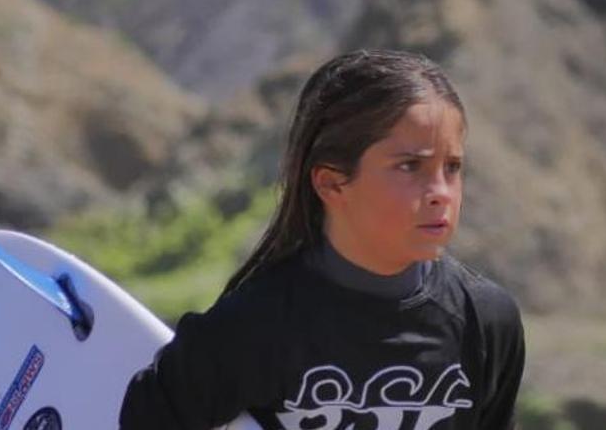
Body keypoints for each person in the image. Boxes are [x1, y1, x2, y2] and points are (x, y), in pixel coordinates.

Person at [118, 49, 526, 430]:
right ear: (331, 184)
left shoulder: (487, 322)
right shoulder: (254, 327)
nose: (441, 191)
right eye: (409, 166)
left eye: (452, 167)